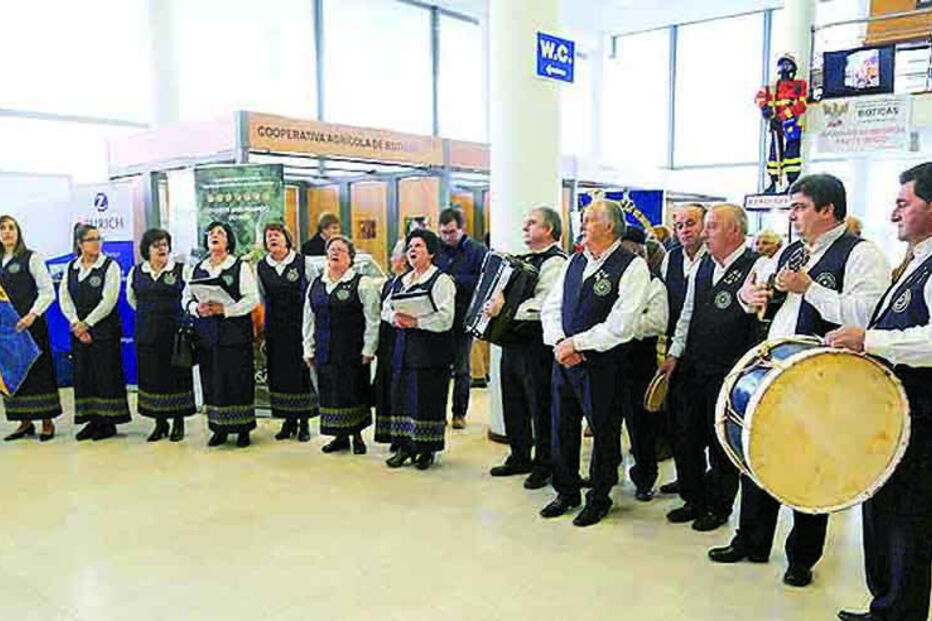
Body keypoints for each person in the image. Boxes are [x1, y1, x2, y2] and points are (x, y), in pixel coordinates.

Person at [710, 173, 891, 587]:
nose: (792, 216)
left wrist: (810, 289)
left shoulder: (862, 254)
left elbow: (866, 315)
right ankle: (751, 540)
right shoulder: (792, 250)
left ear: (828, 209)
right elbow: (757, 289)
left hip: (825, 381)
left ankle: (801, 558)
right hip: (776, 373)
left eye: (800, 207)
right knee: (759, 454)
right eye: (791, 208)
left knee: (810, 465)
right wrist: (749, 297)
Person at [828, 162, 932, 621]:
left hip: (922, 418)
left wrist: (869, 340)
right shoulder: (916, 263)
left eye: (903, 203)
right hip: (895, 416)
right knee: (884, 513)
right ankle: (885, 607)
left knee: (908, 520)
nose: (893, 214)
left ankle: (901, 613)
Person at [539, 200, 649, 527]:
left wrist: (577, 344)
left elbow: (622, 324)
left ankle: (599, 497)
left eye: (588, 220)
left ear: (609, 226)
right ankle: (566, 491)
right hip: (565, 362)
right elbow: (551, 307)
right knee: (562, 427)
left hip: (604, 365)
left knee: (603, 431)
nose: (582, 225)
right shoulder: (574, 261)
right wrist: (560, 343)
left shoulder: (632, 267)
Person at [659, 205, 766, 531]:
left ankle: (719, 507)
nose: (705, 233)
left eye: (712, 226)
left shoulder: (757, 266)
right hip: (693, 366)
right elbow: (687, 314)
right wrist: (674, 353)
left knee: (721, 443)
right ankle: (693, 498)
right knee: (686, 436)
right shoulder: (703, 265)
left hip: (730, 372)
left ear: (735, 231)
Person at [486, 206, 567, 490]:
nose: (525, 227)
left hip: (536, 345)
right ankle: (519, 456)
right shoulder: (523, 260)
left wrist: (504, 310)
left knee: (540, 406)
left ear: (548, 229)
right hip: (513, 342)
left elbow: (544, 305)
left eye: (532, 223)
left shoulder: (556, 262)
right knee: (514, 402)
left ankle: (545, 464)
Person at [382, 229, 455, 470]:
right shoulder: (401, 280)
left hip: (430, 352)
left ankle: (426, 450)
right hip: (403, 350)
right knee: (402, 398)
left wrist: (417, 322)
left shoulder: (441, 280)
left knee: (426, 399)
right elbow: (385, 309)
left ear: (431, 252)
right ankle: (404, 447)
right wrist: (395, 318)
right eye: (410, 247)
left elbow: (446, 318)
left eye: (418, 246)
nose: (412, 250)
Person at [182, 221, 260, 448]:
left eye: (220, 233)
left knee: (238, 380)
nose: (214, 236)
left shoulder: (239, 267)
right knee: (212, 380)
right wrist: (196, 309)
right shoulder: (198, 268)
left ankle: (243, 428)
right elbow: (185, 298)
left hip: (235, 335)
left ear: (228, 241)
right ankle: (219, 428)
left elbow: (252, 299)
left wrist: (226, 310)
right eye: (211, 233)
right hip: (207, 336)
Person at [303, 235, 380, 455]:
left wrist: (369, 348)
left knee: (353, 392)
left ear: (350, 257)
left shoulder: (362, 283)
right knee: (331, 394)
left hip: (352, 351)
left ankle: (357, 436)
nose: (335, 253)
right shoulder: (316, 284)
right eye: (331, 250)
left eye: (340, 250)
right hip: (324, 351)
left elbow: (372, 319)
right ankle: (340, 437)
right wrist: (308, 348)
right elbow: (308, 318)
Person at [59, 223, 130, 441]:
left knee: (105, 374)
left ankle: (107, 422)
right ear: (80, 244)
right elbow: (65, 297)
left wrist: (87, 324)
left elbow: (108, 300)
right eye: (91, 239)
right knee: (84, 374)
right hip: (78, 332)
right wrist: (75, 323)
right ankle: (91, 420)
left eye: (99, 238)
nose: (96, 243)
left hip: (104, 331)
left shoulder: (110, 266)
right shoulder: (71, 267)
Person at [126, 228, 195, 442]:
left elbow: (189, 296)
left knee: (176, 378)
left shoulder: (181, 270)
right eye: (156, 245)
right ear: (147, 249)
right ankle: (160, 423)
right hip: (147, 334)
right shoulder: (137, 272)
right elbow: (132, 299)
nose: (161, 249)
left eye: (164, 244)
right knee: (152, 377)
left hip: (174, 334)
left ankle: (178, 422)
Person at [657, 203, 708, 495]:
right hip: (676, 349)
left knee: (702, 423)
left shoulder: (714, 258)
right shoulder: (671, 258)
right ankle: (687, 477)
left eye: (691, 223)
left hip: (705, 350)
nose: (684, 230)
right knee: (679, 421)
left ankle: (705, 485)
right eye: (679, 225)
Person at [0, 215, 61, 441]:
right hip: (6, 332)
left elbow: (47, 291)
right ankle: (24, 423)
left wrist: (32, 315)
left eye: (11, 228)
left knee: (39, 372)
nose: (7, 232)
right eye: (2, 228)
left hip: (31, 326)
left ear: (18, 232)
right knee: (13, 374)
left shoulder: (32, 258)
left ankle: (47, 422)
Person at [619, 225, 668, 501]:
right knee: (606, 422)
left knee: (641, 426)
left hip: (639, 361)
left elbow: (657, 322)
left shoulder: (654, 283)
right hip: (610, 360)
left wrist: (621, 325)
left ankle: (645, 478)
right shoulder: (613, 278)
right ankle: (605, 472)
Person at [257, 223, 318, 442]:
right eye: (269, 236)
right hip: (275, 330)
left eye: (276, 235)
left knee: (300, 375)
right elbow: (261, 297)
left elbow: (315, 293)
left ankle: (304, 422)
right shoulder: (262, 266)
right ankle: (288, 421)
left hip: (299, 328)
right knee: (280, 375)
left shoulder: (303, 262)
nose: (272, 239)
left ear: (287, 238)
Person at [434, 207, 488, 429]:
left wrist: (455, 280)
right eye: (444, 233)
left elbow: (484, 281)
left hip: (463, 316)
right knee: (438, 368)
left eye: (452, 232)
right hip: (437, 317)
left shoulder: (477, 251)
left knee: (462, 369)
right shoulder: (435, 248)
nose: (447, 237)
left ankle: (459, 413)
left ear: (462, 229)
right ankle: (437, 413)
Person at [374, 240, 407, 448]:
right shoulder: (389, 283)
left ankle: (402, 438)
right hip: (386, 346)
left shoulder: (409, 282)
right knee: (386, 390)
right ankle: (391, 435)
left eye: (394, 256)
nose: (391, 259)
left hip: (401, 345)